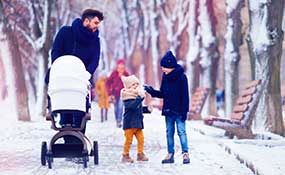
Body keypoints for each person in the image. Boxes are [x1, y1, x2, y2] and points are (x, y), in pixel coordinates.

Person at [45, 9, 104, 142]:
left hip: (82, 79)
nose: (97, 26)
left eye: (98, 23)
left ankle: (78, 142)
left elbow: (95, 60)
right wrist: (61, 68)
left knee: (80, 111)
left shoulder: (95, 40)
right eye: (95, 22)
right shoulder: (66, 32)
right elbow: (56, 51)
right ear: (86, 21)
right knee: (65, 109)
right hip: (62, 76)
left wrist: (86, 74)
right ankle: (67, 141)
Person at [144, 50, 190, 164]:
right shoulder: (165, 77)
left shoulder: (182, 77)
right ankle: (170, 154)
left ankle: (185, 154)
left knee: (181, 131)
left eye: (164, 67)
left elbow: (185, 96)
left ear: (171, 66)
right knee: (169, 132)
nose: (162, 69)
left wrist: (184, 112)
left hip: (179, 110)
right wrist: (151, 91)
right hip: (169, 110)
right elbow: (163, 93)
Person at [120, 75, 149, 163]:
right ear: (128, 86)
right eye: (133, 84)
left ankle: (140, 154)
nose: (136, 85)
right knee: (128, 140)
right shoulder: (127, 96)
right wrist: (139, 98)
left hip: (137, 123)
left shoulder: (136, 96)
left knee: (141, 139)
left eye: (137, 84)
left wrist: (146, 109)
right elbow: (131, 106)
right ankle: (125, 155)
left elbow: (137, 108)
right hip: (129, 124)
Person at [106, 58, 129, 128]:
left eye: (122, 66)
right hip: (114, 94)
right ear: (117, 66)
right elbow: (107, 83)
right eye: (119, 66)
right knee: (116, 108)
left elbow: (130, 82)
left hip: (123, 94)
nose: (121, 67)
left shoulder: (126, 74)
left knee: (121, 106)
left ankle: (119, 120)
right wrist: (109, 92)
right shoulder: (114, 73)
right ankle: (117, 119)